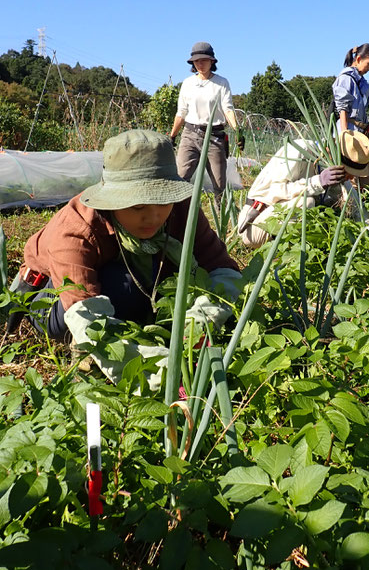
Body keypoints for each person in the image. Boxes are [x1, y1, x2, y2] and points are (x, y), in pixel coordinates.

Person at [9, 130, 242, 387]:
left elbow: (223, 268)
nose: (153, 217)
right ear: (112, 201)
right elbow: (83, 313)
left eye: (162, 202)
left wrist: (201, 321)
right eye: (138, 207)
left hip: (121, 280)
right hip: (51, 298)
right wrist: (157, 370)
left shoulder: (182, 208)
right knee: (124, 286)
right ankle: (91, 354)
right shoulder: (75, 228)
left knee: (163, 279)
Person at [237, 131, 369, 247]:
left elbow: (354, 203)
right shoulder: (299, 150)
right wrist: (317, 182)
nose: (350, 177)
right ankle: (277, 256)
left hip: (280, 221)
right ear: (333, 154)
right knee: (306, 203)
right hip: (255, 224)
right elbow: (271, 192)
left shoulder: (335, 171)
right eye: (349, 171)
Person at [169, 42, 243, 205]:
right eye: (196, 61)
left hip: (214, 136)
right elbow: (181, 112)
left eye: (204, 60)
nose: (200, 64)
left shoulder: (221, 83)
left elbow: (228, 109)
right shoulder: (188, 83)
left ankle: (221, 220)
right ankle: (177, 218)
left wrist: (238, 131)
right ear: (193, 63)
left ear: (212, 61)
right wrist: (172, 136)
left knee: (219, 183)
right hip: (190, 134)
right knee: (181, 177)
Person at [332, 43, 369, 186]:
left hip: (360, 134)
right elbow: (342, 109)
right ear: (358, 59)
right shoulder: (346, 78)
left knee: (366, 181)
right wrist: (345, 135)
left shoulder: (361, 82)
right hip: (349, 135)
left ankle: (363, 205)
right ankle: (348, 205)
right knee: (349, 179)